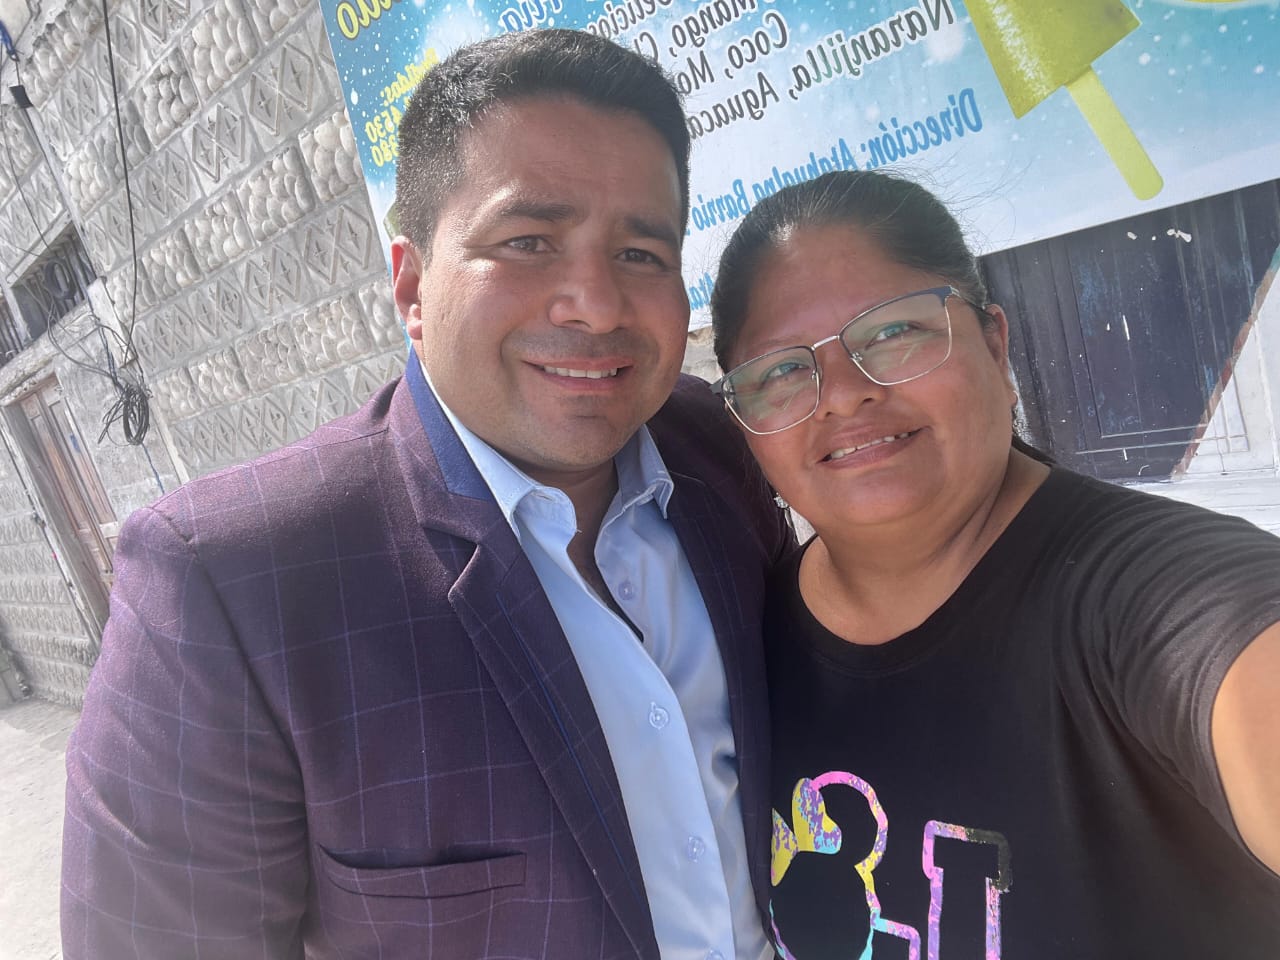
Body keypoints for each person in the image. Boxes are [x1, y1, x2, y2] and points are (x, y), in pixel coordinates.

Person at [61, 30, 791, 959]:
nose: (598, 303)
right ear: (411, 285)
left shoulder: (716, 446)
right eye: (528, 241)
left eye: (642, 253)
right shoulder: (232, 583)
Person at [708, 169, 1280, 958]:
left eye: (892, 332)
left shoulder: (1153, 594)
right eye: (779, 370)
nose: (842, 394)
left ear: (996, 345)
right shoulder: (744, 642)